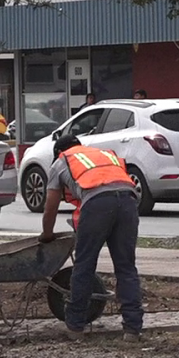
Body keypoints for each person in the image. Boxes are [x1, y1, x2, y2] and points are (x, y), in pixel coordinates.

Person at [39, 134, 143, 342]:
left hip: (97, 205)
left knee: (84, 265)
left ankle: (76, 327)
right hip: (128, 202)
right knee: (126, 267)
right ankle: (133, 329)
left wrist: (47, 234)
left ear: (59, 152)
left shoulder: (62, 161)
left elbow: (50, 206)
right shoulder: (105, 154)